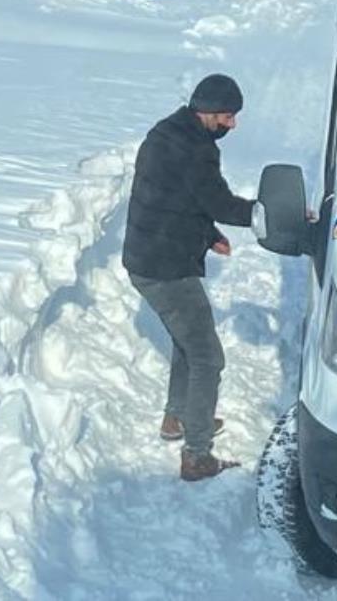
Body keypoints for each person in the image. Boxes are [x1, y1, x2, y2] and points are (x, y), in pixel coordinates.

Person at [122, 74, 255, 482]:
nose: (232, 124)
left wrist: (208, 234)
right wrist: (269, 214)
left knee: (188, 341)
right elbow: (219, 202)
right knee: (207, 357)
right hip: (166, 268)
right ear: (208, 111)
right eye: (227, 116)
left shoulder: (165, 134)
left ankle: (178, 417)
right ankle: (197, 455)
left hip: (146, 258)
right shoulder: (196, 149)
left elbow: (173, 197)